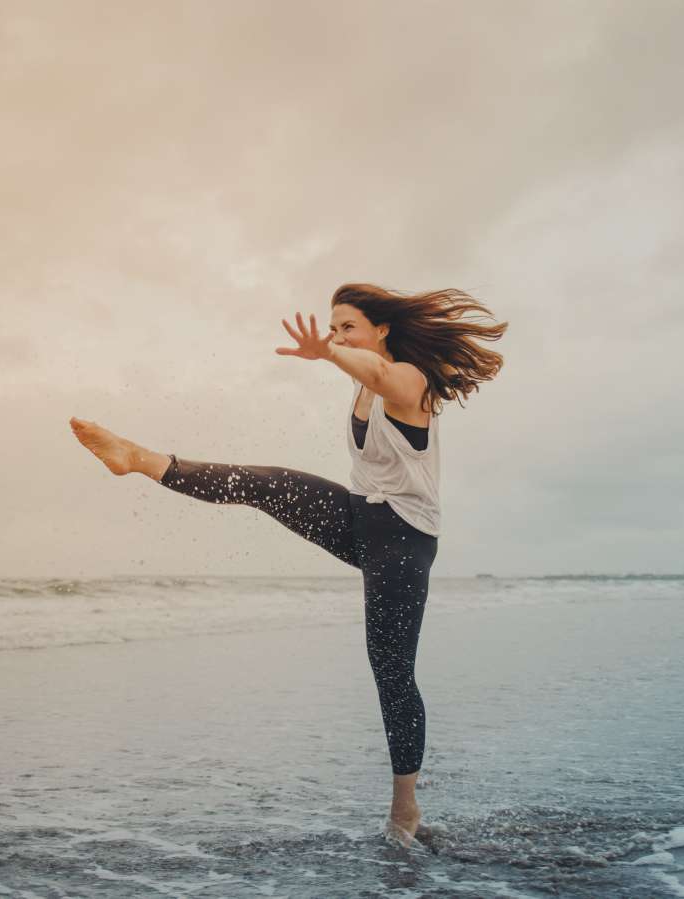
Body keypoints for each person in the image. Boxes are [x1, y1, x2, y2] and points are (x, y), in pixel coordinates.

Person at [69, 282, 506, 847]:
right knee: (267, 483)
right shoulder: (358, 376)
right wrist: (335, 353)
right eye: (334, 327)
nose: (337, 336)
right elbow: (361, 373)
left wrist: (328, 353)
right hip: (360, 518)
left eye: (347, 326)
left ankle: (405, 808)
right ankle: (139, 459)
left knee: (391, 672)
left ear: (382, 330)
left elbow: (379, 376)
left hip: (403, 539)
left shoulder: (410, 381)